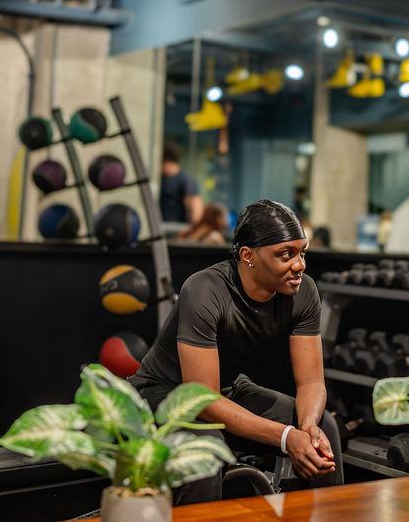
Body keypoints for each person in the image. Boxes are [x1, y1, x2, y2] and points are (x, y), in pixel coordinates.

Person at [129, 199, 341, 503]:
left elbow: (310, 382)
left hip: (226, 390)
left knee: (324, 426)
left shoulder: (303, 292)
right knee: (204, 453)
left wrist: (306, 426)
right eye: (286, 254)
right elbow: (201, 399)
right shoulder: (204, 290)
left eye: (301, 252)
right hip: (166, 395)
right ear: (248, 256)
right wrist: (285, 437)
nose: (300, 265)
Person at [159, 143, 202, 226]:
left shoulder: (186, 181)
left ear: (166, 161)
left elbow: (196, 209)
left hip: (177, 230)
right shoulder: (161, 179)